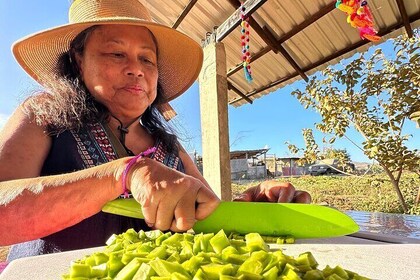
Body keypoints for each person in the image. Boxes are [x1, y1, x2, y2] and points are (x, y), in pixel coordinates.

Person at [0, 0, 310, 261]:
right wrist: (126, 173)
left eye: (147, 58)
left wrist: (253, 206)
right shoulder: (43, 114)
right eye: (116, 53)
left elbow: (209, 219)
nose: (136, 68)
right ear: (78, 62)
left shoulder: (170, 149)